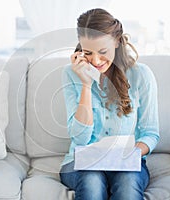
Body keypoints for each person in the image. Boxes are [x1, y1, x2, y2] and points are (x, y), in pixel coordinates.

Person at [59, 8, 160, 200]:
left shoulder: (141, 75)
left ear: (116, 41)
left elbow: (150, 133)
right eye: (88, 52)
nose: (95, 60)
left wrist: (128, 156)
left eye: (103, 51)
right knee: (92, 184)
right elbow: (80, 139)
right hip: (80, 162)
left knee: (128, 188)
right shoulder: (70, 74)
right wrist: (86, 85)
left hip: (125, 160)